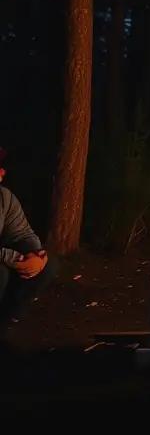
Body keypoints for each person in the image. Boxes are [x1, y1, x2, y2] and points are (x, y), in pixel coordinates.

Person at [0, 147, 58, 349]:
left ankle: (4, 327)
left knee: (47, 267)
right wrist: (14, 258)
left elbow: (22, 232)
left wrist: (37, 254)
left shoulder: (4, 198)